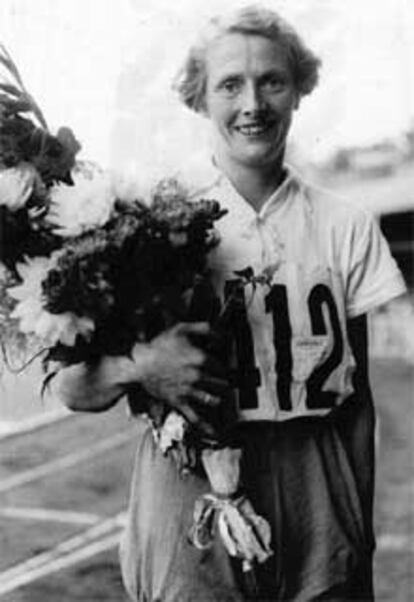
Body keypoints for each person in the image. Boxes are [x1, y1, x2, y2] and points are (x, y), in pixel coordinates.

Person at [51, 6, 407, 601]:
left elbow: (358, 401)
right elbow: (73, 388)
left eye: (273, 80)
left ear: (300, 89)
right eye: (230, 85)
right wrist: (141, 366)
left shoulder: (345, 224)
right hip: (189, 480)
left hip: (315, 474)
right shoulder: (144, 221)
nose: (253, 104)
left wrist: (358, 528)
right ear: (199, 97)